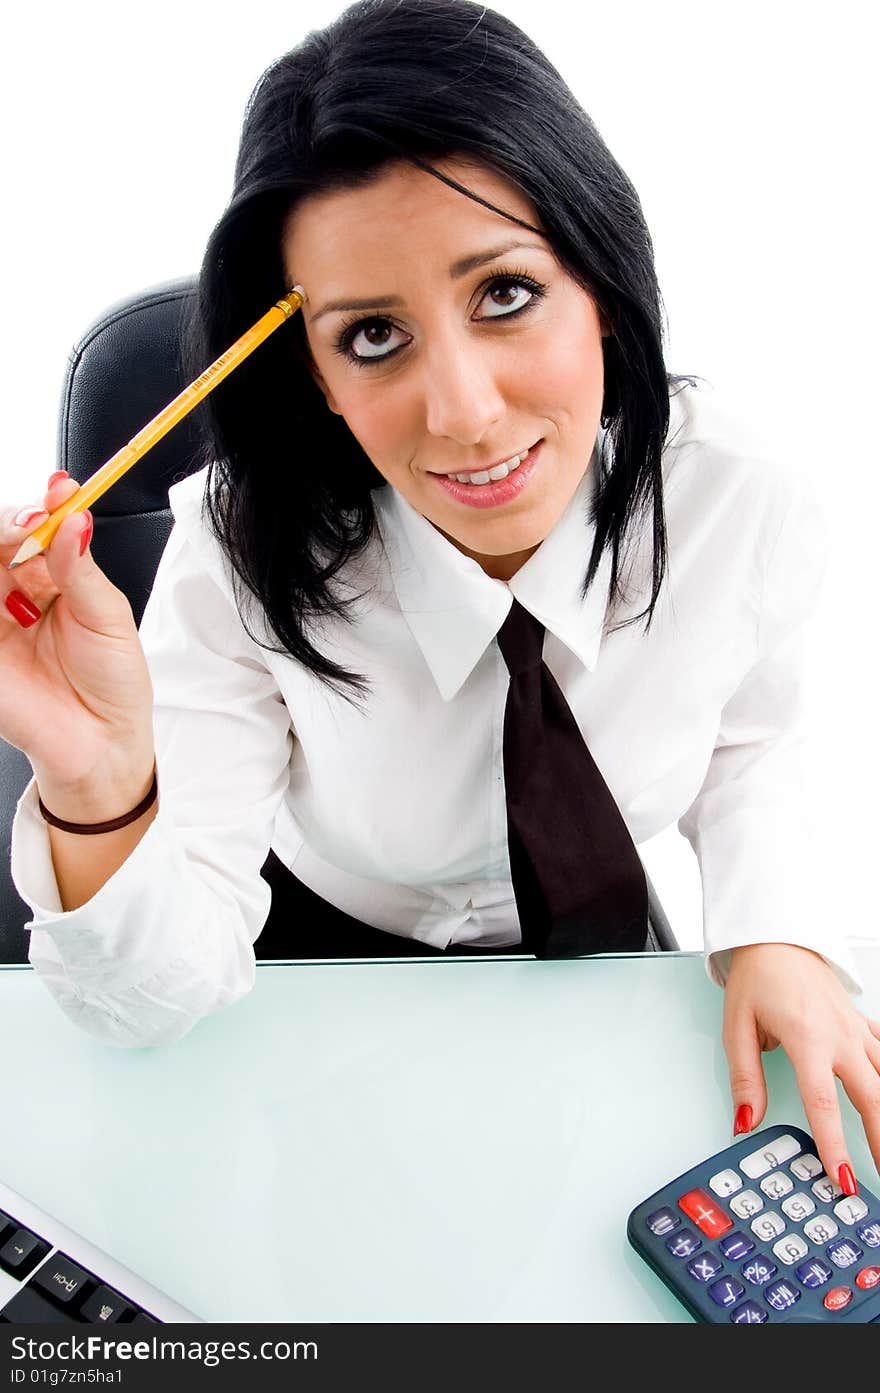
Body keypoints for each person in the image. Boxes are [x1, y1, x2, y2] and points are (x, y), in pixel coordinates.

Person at [2, 0, 878, 1193]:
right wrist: (96, 780)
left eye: (506, 294)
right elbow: (149, 1005)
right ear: (310, 368)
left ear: (600, 280)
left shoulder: (739, 502)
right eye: (371, 336)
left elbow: (752, 735)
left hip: (602, 970)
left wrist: (776, 925)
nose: (462, 414)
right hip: (315, 956)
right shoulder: (234, 553)